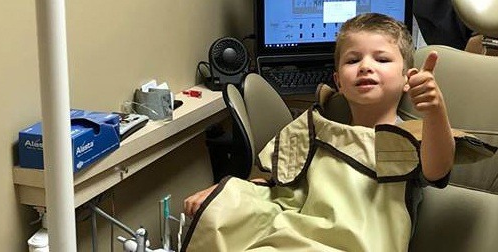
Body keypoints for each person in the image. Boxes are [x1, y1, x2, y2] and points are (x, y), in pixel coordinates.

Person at [182, 13, 455, 251]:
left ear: (407, 78)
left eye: (382, 59)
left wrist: (434, 111)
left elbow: (437, 168)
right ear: (338, 81)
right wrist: (224, 193)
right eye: (353, 60)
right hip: (299, 237)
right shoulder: (317, 130)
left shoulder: (408, 139)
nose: (366, 66)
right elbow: (278, 183)